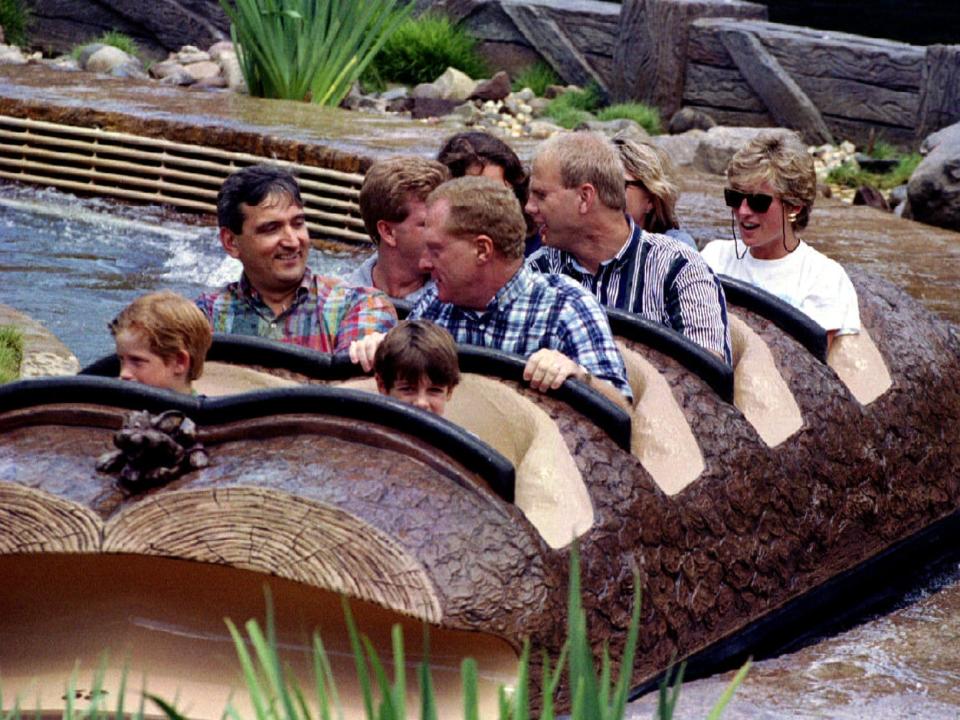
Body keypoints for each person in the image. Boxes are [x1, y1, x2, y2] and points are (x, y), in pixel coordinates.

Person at [351, 176, 633, 409]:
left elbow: (623, 415)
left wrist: (579, 376)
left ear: (483, 250)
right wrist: (380, 350)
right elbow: (410, 390)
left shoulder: (566, 306)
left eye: (436, 250)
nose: (424, 263)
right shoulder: (436, 303)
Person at [525, 131, 731, 363]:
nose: (529, 208)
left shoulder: (680, 267)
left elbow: (706, 377)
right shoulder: (536, 270)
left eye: (541, 195)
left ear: (585, 198)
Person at [197, 164, 396, 352]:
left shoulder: (359, 305)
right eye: (271, 229)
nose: (292, 242)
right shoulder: (206, 315)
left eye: (298, 224)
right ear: (231, 242)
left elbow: (359, 381)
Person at [700, 133, 860, 348]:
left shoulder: (824, 277)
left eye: (758, 202)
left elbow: (809, 366)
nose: (743, 211)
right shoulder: (713, 257)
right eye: (735, 198)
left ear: (794, 206)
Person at [349, 156, 450, 303]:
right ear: (388, 232)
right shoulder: (338, 301)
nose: (444, 235)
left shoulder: (457, 302)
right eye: (427, 224)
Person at [437, 131, 540, 256]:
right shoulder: (433, 246)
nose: (489, 201)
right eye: (477, 193)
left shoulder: (538, 241)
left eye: (499, 192)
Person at [110, 291, 212, 395]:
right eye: (122, 360)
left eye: (137, 360)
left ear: (179, 362)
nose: (123, 373)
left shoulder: (202, 411)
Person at [612, 132, 697, 250]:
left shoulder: (676, 248)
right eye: (598, 182)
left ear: (651, 200)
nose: (604, 193)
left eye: (618, 184)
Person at [374, 319, 460, 416]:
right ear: (382, 386)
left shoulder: (461, 431)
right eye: (408, 389)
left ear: (449, 391)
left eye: (435, 390)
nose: (421, 403)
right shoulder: (363, 430)